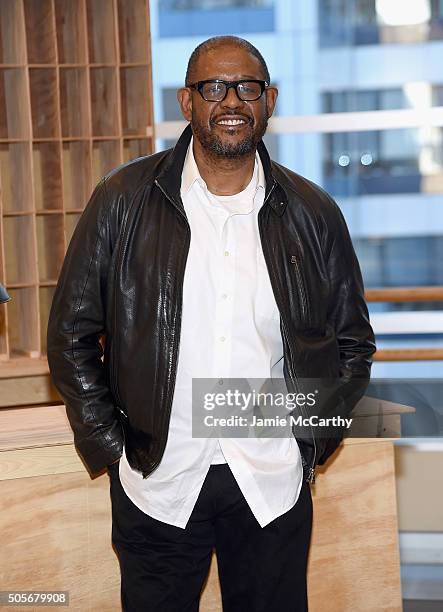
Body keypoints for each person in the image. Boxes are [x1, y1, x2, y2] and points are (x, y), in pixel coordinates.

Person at [47, 35, 375, 612]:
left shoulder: (314, 212)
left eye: (247, 87)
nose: (232, 101)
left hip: (270, 483)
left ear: (269, 100)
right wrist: (113, 446)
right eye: (214, 87)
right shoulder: (122, 200)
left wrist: (310, 443)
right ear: (187, 102)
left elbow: (352, 345)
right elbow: (72, 335)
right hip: (158, 479)